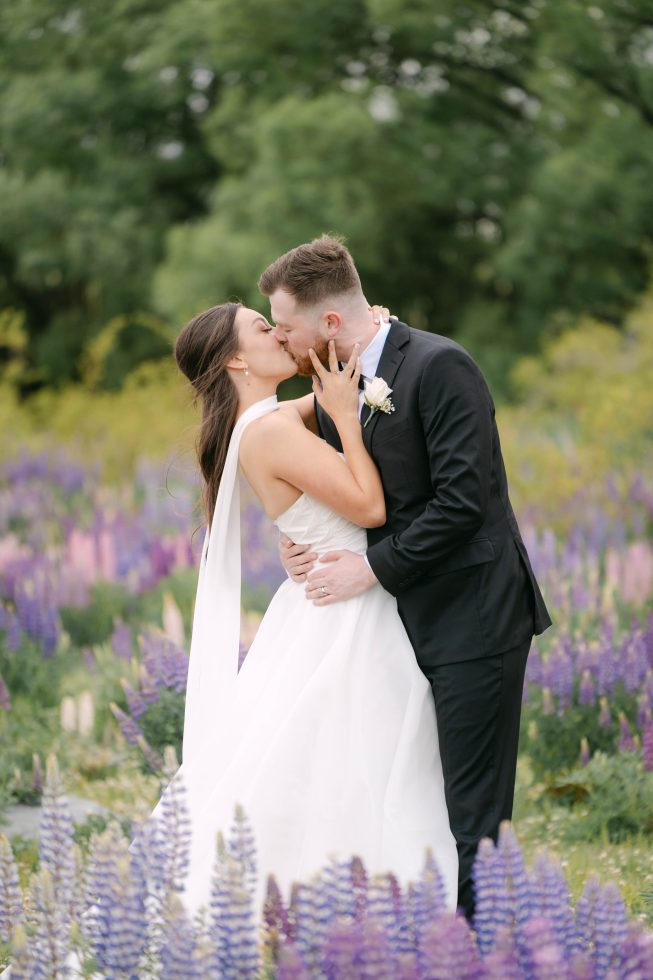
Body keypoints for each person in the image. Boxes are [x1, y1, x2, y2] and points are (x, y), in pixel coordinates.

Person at [261, 234, 552, 920]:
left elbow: (462, 503)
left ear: (329, 322)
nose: (280, 336)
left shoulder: (441, 366)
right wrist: (295, 538)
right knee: (408, 798)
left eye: (285, 325)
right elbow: (333, 482)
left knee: (471, 812)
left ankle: (482, 951)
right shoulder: (330, 382)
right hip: (389, 632)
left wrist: (368, 568)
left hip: (472, 616)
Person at [137, 301, 458, 921]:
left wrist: (366, 331)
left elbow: (345, 375)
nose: (279, 334)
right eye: (263, 329)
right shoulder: (270, 431)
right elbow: (367, 508)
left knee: (323, 761)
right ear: (236, 359)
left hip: (326, 602)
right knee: (354, 761)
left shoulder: (266, 419)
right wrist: (343, 413)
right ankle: (356, 911)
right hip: (344, 614)